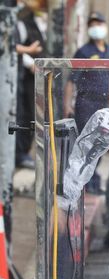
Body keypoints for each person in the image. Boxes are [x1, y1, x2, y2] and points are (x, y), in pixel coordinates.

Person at [63, 11, 109, 193]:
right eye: (92, 24)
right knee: (85, 143)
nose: (96, 28)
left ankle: (93, 180)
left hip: (103, 103)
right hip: (86, 103)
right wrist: (67, 104)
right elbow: (72, 80)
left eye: (99, 23)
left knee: (101, 143)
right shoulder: (83, 52)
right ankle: (81, 183)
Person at [15, 0, 47, 169]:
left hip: (38, 77)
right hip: (27, 76)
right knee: (25, 114)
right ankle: (20, 153)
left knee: (34, 114)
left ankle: (25, 151)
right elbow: (15, 48)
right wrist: (30, 64)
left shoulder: (39, 23)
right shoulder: (21, 22)